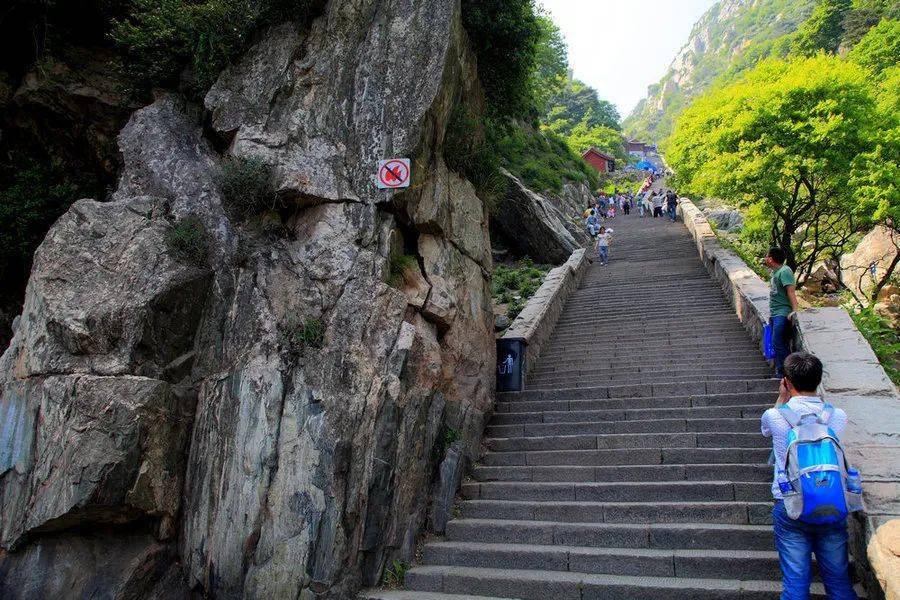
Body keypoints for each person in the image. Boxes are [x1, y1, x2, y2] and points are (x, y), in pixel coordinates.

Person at [761, 352, 857, 600]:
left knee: (795, 582)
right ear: (819, 380)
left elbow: (765, 431)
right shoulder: (838, 416)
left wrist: (781, 399)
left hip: (790, 504)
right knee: (839, 581)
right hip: (832, 503)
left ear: (786, 381)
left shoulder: (775, 416)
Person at [765, 247, 799, 378]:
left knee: (777, 342)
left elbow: (791, 291)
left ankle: (789, 372)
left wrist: (795, 310)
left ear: (771, 259)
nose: (765, 258)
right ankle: (781, 373)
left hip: (782, 313)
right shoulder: (775, 272)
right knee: (779, 343)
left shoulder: (785, 271)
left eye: (767, 256)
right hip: (775, 313)